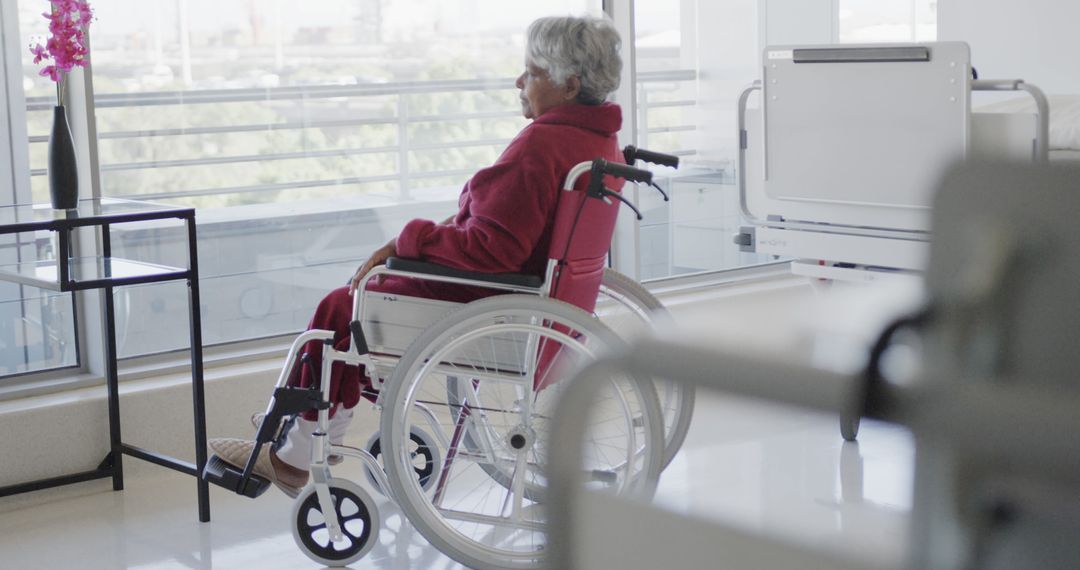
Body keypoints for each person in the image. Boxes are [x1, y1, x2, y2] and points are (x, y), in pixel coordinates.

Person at [208, 14, 625, 497]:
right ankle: (308, 435)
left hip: (491, 300)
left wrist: (409, 242)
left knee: (342, 308)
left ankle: (296, 455)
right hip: (533, 300)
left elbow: (493, 248)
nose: (519, 81)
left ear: (569, 84)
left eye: (531, 73)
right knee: (358, 301)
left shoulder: (542, 143)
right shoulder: (598, 141)